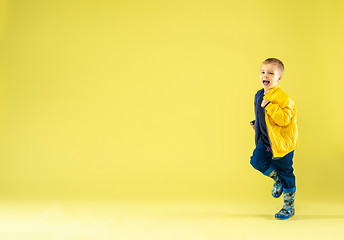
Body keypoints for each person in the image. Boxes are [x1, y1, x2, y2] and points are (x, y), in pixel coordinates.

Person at [249, 58, 298, 220]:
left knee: (286, 172)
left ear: (279, 78)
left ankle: (289, 206)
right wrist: (257, 124)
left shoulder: (283, 98)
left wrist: (270, 105)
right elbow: (263, 115)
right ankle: (276, 180)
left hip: (281, 144)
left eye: (271, 73)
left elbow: (284, 119)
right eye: (263, 72)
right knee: (256, 161)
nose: (266, 75)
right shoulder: (259, 94)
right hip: (265, 141)